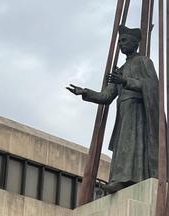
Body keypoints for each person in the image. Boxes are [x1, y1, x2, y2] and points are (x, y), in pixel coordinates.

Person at [67, 26, 160, 194]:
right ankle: (120, 179)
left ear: (135, 42)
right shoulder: (121, 69)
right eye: (119, 42)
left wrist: (126, 81)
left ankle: (126, 180)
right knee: (123, 147)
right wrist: (85, 92)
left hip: (139, 111)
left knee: (133, 145)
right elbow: (107, 96)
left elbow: (152, 86)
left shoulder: (144, 62)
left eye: (124, 41)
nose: (121, 44)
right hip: (123, 112)